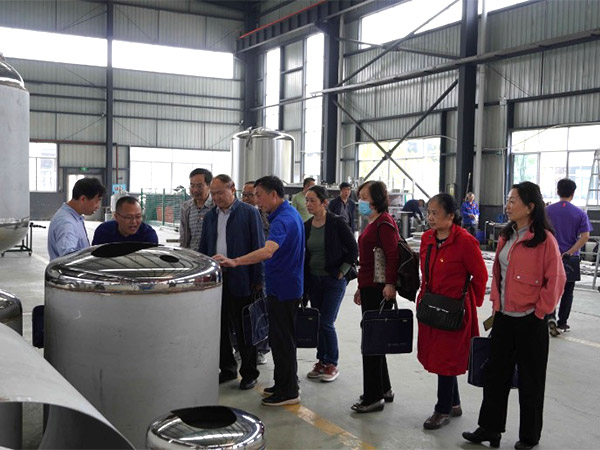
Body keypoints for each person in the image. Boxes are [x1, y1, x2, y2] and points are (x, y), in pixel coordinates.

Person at [463, 182, 566, 450]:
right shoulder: (506, 236)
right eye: (508, 200)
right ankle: (490, 428)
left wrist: (540, 312)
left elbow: (556, 280)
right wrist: (496, 307)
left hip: (531, 320)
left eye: (513, 201)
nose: (507, 206)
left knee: (531, 381)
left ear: (530, 207)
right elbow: (499, 276)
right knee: (495, 375)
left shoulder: (545, 241)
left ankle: (529, 437)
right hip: (504, 318)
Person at [215, 175, 304, 407]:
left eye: (259, 195)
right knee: (280, 339)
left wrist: (235, 261)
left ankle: (289, 391)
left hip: (284, 289)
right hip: (285, 286)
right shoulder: (288, 213)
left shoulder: (283, 219)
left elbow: (267, 251)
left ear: (273, 194)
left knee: (283, 341)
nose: (256, 200)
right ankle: (283, 383)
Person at [417, 193, 488, 430]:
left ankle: (443, 409)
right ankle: (454, 403)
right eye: (429, 212)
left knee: (446, 359)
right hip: (431, 306)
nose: (430, 217)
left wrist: (471, 302)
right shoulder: (427, 239)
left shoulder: (465, 241)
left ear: (450, 215)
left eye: (435, 213)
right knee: (438, 356)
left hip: (454, 311)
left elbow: (480, 275)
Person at [199, 175, 265, 390]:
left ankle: (249, 373)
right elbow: (203, 248)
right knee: (219, 329)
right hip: (217, 280)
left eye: (220, 193)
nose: (216, 197)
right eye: (213, 194)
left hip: (242, 278)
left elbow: (258, 245)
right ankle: (227, 369)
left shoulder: (249, 213)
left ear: (233, 189)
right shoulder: (210, 216)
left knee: (244, 329)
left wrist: (258, 279)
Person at [351, 181, 399, 413]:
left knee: (371, 343)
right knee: (376, 340)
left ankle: (373, 396)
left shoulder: (384, 223)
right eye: (359, 197)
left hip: (379, 290)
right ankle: (384, 388)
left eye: (364, 197)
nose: (360, 201)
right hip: (370, 287)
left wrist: (390, 284)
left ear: (376, 199)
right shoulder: (374, 222)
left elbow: (392, 255)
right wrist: (361, 287)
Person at [304, 185, 358, 383]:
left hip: (333, 280)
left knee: (327, 321)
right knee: (318, 322)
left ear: (324, 202)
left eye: (312, 200)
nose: (308, 204)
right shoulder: (307, 226)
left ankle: (332, 363)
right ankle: (321, 361)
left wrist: (342, 271)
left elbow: (353, 249)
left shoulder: (337, 223)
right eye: (307, 200)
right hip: (314, 280)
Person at [545, 178, 591, 335]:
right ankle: (562, 323)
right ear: (573, 193)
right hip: (569, 259)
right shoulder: (579, 213)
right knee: (567, 291)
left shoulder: (547, 211)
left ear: (558, 191)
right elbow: (585, 236)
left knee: (548, 287)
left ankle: (550, 316)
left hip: (549, 256)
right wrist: (570, 251)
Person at [242, 180, 271, 366]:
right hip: (243, 268)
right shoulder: (239, 214)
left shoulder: (266, 216)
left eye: (250, 195)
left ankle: (261, 348)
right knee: (243, 311)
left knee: (260, 310)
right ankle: (242, 346)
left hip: (262, 269)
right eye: (243, 195)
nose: (246, 198)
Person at [48, 177, 106, 261]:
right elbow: (68, 260)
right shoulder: (66, 224)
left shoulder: (74, 217)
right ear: (83, 199)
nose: (98, 206)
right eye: (97, 201)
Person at [92, 196, 158, 245]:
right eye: (129, 217)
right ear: (116, 217)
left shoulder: (148, 235)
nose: (134, 222)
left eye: (138, 216)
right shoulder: (103, 232)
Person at [180, 168, 213, 251]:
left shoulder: (216, 207)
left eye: (199, 186)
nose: (195, 190)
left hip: (211, 256)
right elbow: (184, 237)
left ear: (209, 186)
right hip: (192, 255)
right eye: (192, 185)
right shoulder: (186, 208)